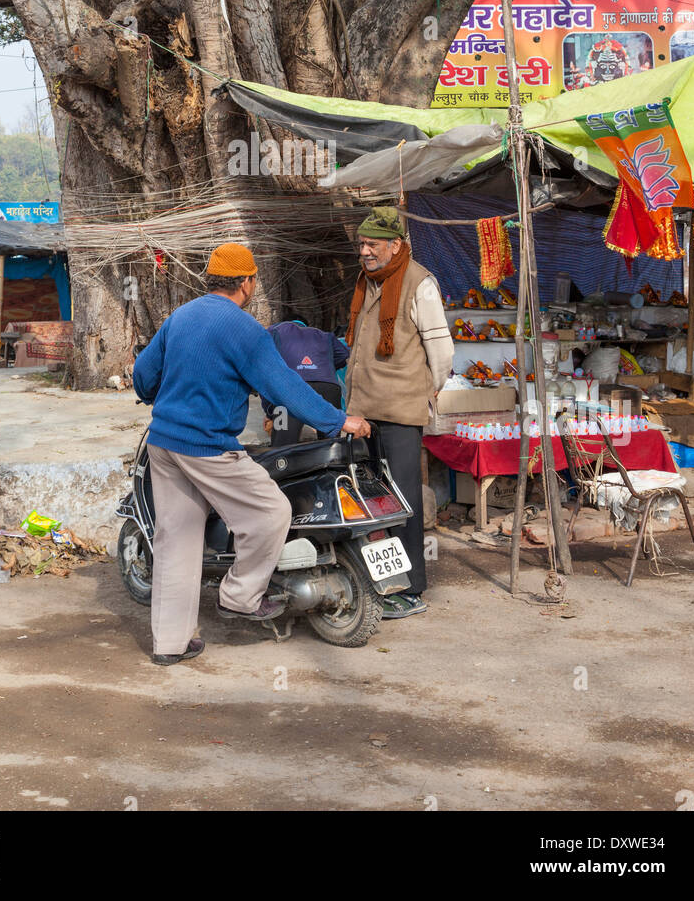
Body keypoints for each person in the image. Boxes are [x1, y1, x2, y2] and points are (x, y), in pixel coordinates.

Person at [132, 242, 371, 665]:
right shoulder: (244, 330)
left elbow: (143, 375)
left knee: (177, 541)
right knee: (269, 513)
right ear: (246, 283)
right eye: (253, 280)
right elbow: (284, 386)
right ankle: (239, 596)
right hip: (207, 448)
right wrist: (338, 420)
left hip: (164, 443)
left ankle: (170, 644)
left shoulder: (180, 316)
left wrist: (158, 396)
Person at [345, 206, 454, 619]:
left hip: (402, 413)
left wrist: (428, 390)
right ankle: (380, 580)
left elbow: (441, 350)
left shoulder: (419, 283)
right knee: (373, 500)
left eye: (372, 243)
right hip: (364, 413)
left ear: (396, 245)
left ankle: (410, 589)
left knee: (404, 500)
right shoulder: (366, 282)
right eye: (362, 243)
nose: (365, 250)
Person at [260, 320, 350, 441]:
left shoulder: (274, 331)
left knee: (282, 446)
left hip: (291, 390)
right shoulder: (323, 334)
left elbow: (263, 370)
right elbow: (344, 355)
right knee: (332, 446)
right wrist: (324, 369)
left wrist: (270, 412)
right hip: (329, 387)